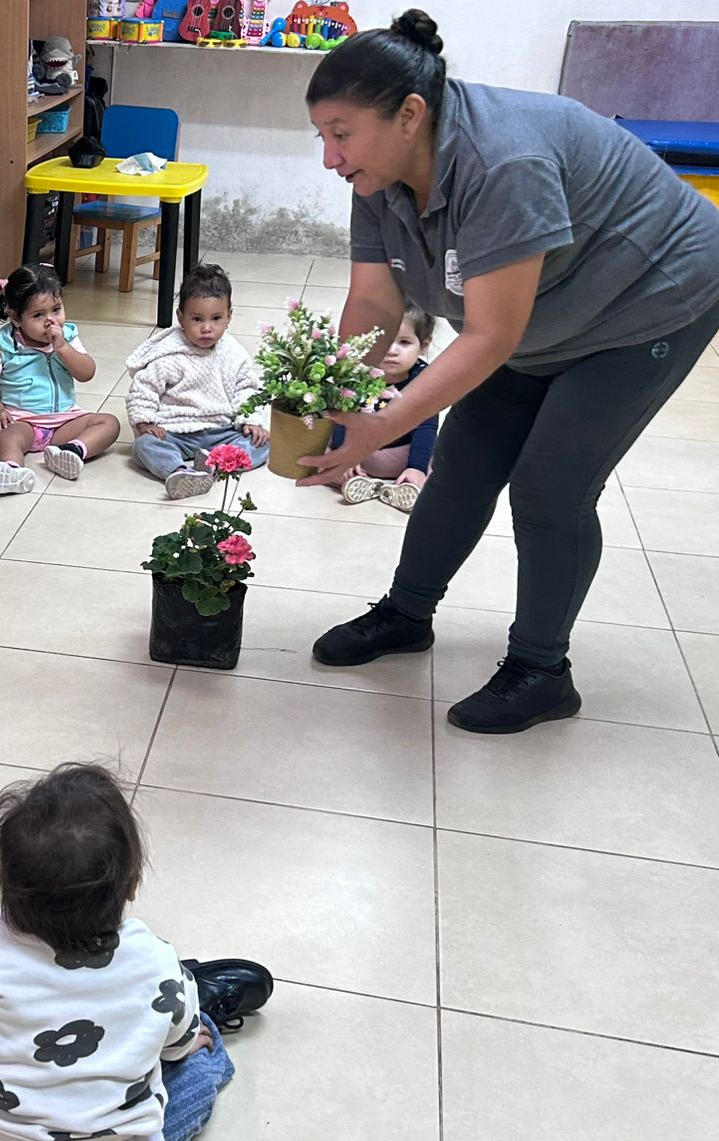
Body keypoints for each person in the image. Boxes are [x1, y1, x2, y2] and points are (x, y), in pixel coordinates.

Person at [301, 9, 719, 734]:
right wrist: (333, 395)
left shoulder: (503, 163)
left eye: (342, 134)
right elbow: (373, 300)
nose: (331, 158)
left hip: (650, 300)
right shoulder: (379, 176)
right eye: (322, 137)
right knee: (464, 462)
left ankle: (541, 670)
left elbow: (491, 335)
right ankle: (406, 613)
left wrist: (383, 423)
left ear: (410, 114)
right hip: (541, 313)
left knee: (550, 486)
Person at [0, 763, 236, 1141]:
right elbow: (176, 1046)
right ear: (132, 884)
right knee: (201, 1051)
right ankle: (179, 1001)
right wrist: (182, 1044)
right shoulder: (152, 958)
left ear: (7, 890)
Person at [126, 263, 270, 499]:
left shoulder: (233, 352)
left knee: (261, 443)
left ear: (229, 316)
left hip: (221, 431)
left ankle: (215, 464)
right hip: (175, 431)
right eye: (197, 319)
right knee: (143, 446)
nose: (206, 328)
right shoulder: (169, 353)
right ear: (181, 318)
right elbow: (144, 388)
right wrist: (144, 422)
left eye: (216, 318)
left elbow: (246, 388)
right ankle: (178, 471)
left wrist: (251, 420)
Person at [0, 264, 120, 494]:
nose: (50, 321)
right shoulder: (3, 345)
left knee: (109, 423)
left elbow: (87, 373)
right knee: (6, 437)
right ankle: (11, 470)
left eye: (56, 309)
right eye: (38, 315)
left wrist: (63, 348)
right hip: (23, 422)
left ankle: (72, 451)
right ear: (16, 317)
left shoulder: (67, 336)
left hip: (65, 420)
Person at [325, 304, 440, 512]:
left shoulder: (426, 379)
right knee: (320, 450)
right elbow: (344, 417)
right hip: (360, 449)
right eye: (383, 341)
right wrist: (344, 457)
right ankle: (358, 482)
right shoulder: (359, 373)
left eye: (404, 342)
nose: (391, 350)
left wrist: (416, 467)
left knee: (439, 462)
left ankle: (406, 485)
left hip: (401, 453)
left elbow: (426, 428)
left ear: (424, 345)